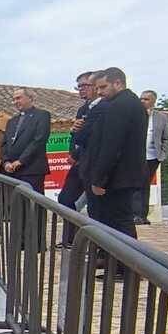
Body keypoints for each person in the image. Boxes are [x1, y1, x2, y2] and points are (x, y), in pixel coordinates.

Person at [83, 68, 147, 242]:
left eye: (103, 87)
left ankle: (126, 265)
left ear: (118, 83)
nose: (99, 92)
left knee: (120, 222)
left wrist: (98, 179)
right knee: (117, 221)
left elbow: (111, 146)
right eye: (97, 88)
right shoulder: (131, 102)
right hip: (124, 174)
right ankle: (117, 263)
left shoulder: (119, 106)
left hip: (118, 176)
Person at [58, 71, 101, 247]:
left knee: (95, 205)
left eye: (84, 85)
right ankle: (70, 239)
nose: (81, 90)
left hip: (92, 161)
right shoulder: (83, 109)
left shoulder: (102, 107)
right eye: (79, 86)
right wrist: (72, 153)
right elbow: (75, 134)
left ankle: (96, 243)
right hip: (78, 161)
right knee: (65, 198)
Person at [0, 88, 51, 192]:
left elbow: (39, 140)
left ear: (30, 98)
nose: (15, 102)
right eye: (14, 100)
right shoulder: (11, 121)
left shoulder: (42, 115)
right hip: (12, 171)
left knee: (34, 205)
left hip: (32, 169)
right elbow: (5, 144)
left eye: (18, 98)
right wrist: (6, 162)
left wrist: (21, 161)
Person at [137, 90, 168, 225]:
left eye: (146, 99)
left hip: (152, 157)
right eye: (141, 99)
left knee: (145, 186)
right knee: (135, 185)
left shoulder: (161, 118)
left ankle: (142, 215)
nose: (143, 102)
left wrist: (162, 155)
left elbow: (166, 137)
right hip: (136, 157)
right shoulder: (135, 115)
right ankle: (135, 214)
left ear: (153, 101)